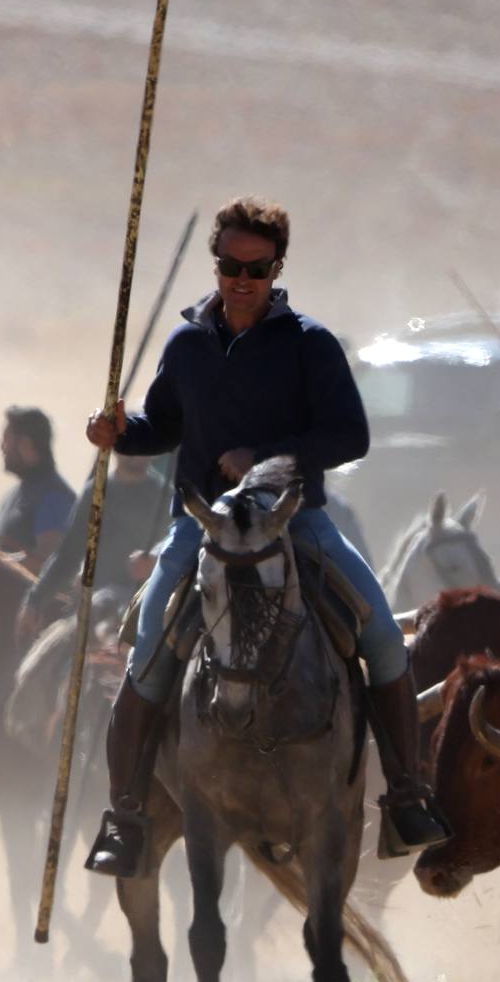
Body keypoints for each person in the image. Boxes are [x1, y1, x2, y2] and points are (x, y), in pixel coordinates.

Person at [79, 195, 445, 875]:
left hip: (293, 521)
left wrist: (267, 458)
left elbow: (350, 435)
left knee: (384, 638)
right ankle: (126, 816)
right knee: (149, 651)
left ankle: (406, 796)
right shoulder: (187, 344)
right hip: (202, 529)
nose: (242, 280)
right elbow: (164, 427)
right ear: (215, 264)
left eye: (257, 268)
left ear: (278, 267)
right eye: (230, 266)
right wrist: (117, 433)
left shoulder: (310, 345)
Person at [19, 451, 174, 647]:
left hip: (144, 614)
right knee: (35, 671)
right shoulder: (95, 493)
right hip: (91, 612)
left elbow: (177, 547)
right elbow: (68, 555)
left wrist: (155, 559)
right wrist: (35, 600)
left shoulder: (167, 497)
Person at [0, 406, 75, 566]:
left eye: (6, 439)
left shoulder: (55, 497)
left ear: (25, 444)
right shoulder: (13, 495)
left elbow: (47, 560)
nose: (1, 446)